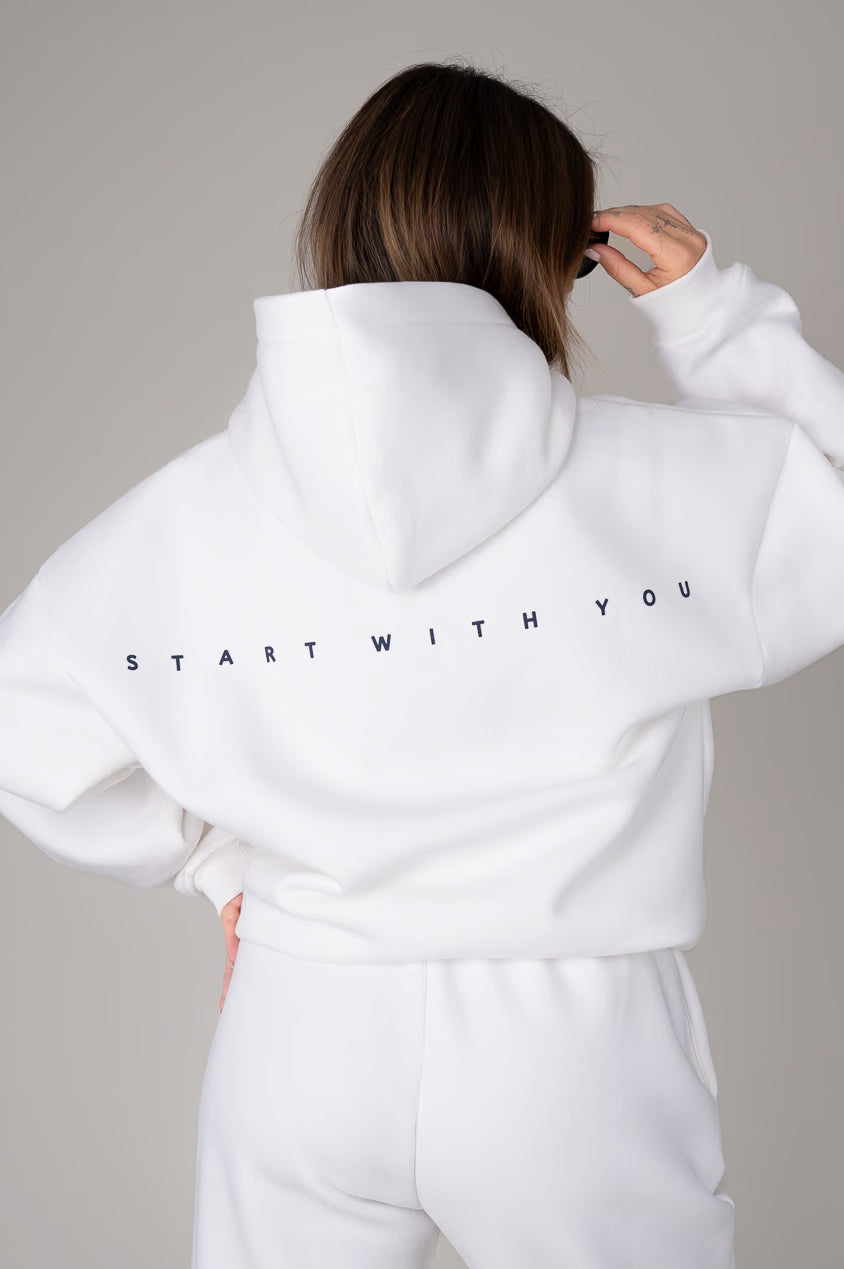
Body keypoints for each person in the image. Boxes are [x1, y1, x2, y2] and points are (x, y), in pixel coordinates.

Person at [1, 57, 842, 1269]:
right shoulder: (672, 484)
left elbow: (26, 727)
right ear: (555, 254)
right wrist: (715, 314)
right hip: (576, 1045)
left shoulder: (187, 513)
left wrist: (218, 866)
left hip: (301, 1029)